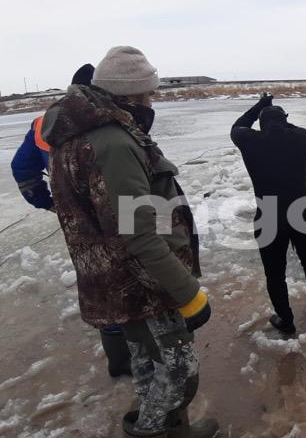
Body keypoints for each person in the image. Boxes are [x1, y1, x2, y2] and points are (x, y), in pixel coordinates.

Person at [41, 46, 218, 438]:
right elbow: (136, 231)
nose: (152, 100)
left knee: (144, 360)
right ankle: (153, 430)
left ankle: (167, 429)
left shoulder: (72, 134)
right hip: (144, 282)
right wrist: (187, 292)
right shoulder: (114, 143)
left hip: (115, 277)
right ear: (131, 94)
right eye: (148, 93)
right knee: (178, 373)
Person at [10, 64, 134, 378]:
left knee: (100, 283)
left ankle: (119, 360)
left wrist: (50, 204)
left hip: (77, 220)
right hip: (119, 214)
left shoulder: (43, 123)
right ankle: (138, 354)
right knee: (134, 276)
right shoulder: (111, 120)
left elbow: (22, 168)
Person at [230, 95, 306, 335]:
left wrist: (260, 108)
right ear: (285, 121)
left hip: (269, 217)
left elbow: (238, 126)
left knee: (275, 273)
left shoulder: (249, 140)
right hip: (303, 213)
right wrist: (282, 123)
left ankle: (286, 319)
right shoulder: (301, 139)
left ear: (261, 124)